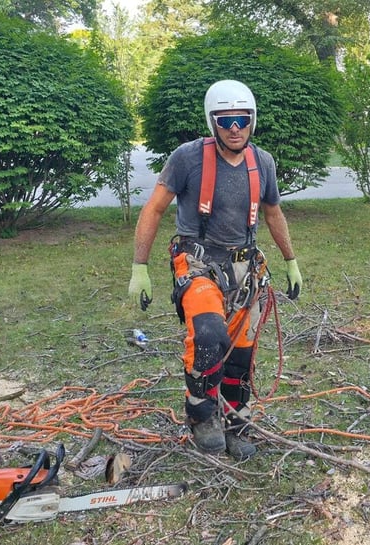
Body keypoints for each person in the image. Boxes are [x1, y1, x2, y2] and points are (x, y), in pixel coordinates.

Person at [128, 80, 302, 460]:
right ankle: (201, 412)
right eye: (226, 121)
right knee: (208, 334)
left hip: (245, 268)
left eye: (242, 119)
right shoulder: (187, 158)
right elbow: (154, 208)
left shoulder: (263, 162)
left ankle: (236, 417)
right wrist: (139, 266)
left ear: (252, 120)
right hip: (197, 262)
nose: (235, 127)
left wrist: (290, 260)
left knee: (242, 351)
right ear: (213, 123)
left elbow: (273, 211)